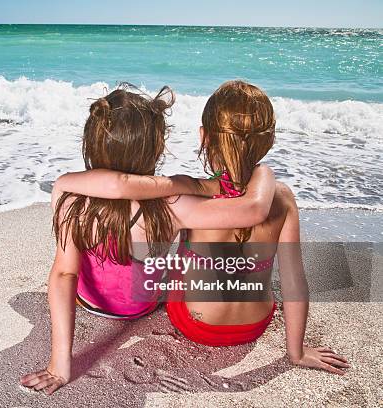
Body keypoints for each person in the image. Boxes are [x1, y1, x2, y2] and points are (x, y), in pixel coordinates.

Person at [48, 80, 350, 380]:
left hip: (176, 320)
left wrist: (181, 183)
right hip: (250, 322)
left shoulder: (79, 200)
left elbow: (68, 269)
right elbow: (291, 275)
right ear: (268, 140)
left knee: (174, 254)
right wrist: (295, 352)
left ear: (204, 137)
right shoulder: (270, 199)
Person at [20, 84, 279, 395]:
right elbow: (253, 211)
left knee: (65, 266)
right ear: (155, 150)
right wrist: (262, 173)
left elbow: (65, 274)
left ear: (91, 144)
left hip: (88, 301)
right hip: (141, 307)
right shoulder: (173, 204)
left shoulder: (68, 195)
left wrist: (59, 365)